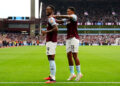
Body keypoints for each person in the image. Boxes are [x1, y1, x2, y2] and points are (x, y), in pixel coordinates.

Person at [54, 7, 83, 81]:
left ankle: (79, 73)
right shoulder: (67, 19)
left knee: (74, 55)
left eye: (68, 11)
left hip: (74, 38)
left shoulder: (74, 16)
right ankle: (72, 73)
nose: (67, 12)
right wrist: (53, 19)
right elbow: (60, 22)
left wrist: (57, 15)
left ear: (72, 11)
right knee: (68, 56)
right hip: (68, 38)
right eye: (67, 11)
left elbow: (68, 16)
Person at [41, 5, 58, 83]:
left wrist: (46, 32)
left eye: (48, 10)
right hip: (49, 40)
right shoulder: (50, 18)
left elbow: (56, 28)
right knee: (49, 57)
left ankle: (53, 78)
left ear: (52, 10)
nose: (46, 11)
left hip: (51, 40)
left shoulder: (51, 18)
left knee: (51, 58)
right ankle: (51, 75)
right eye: (46, 10)